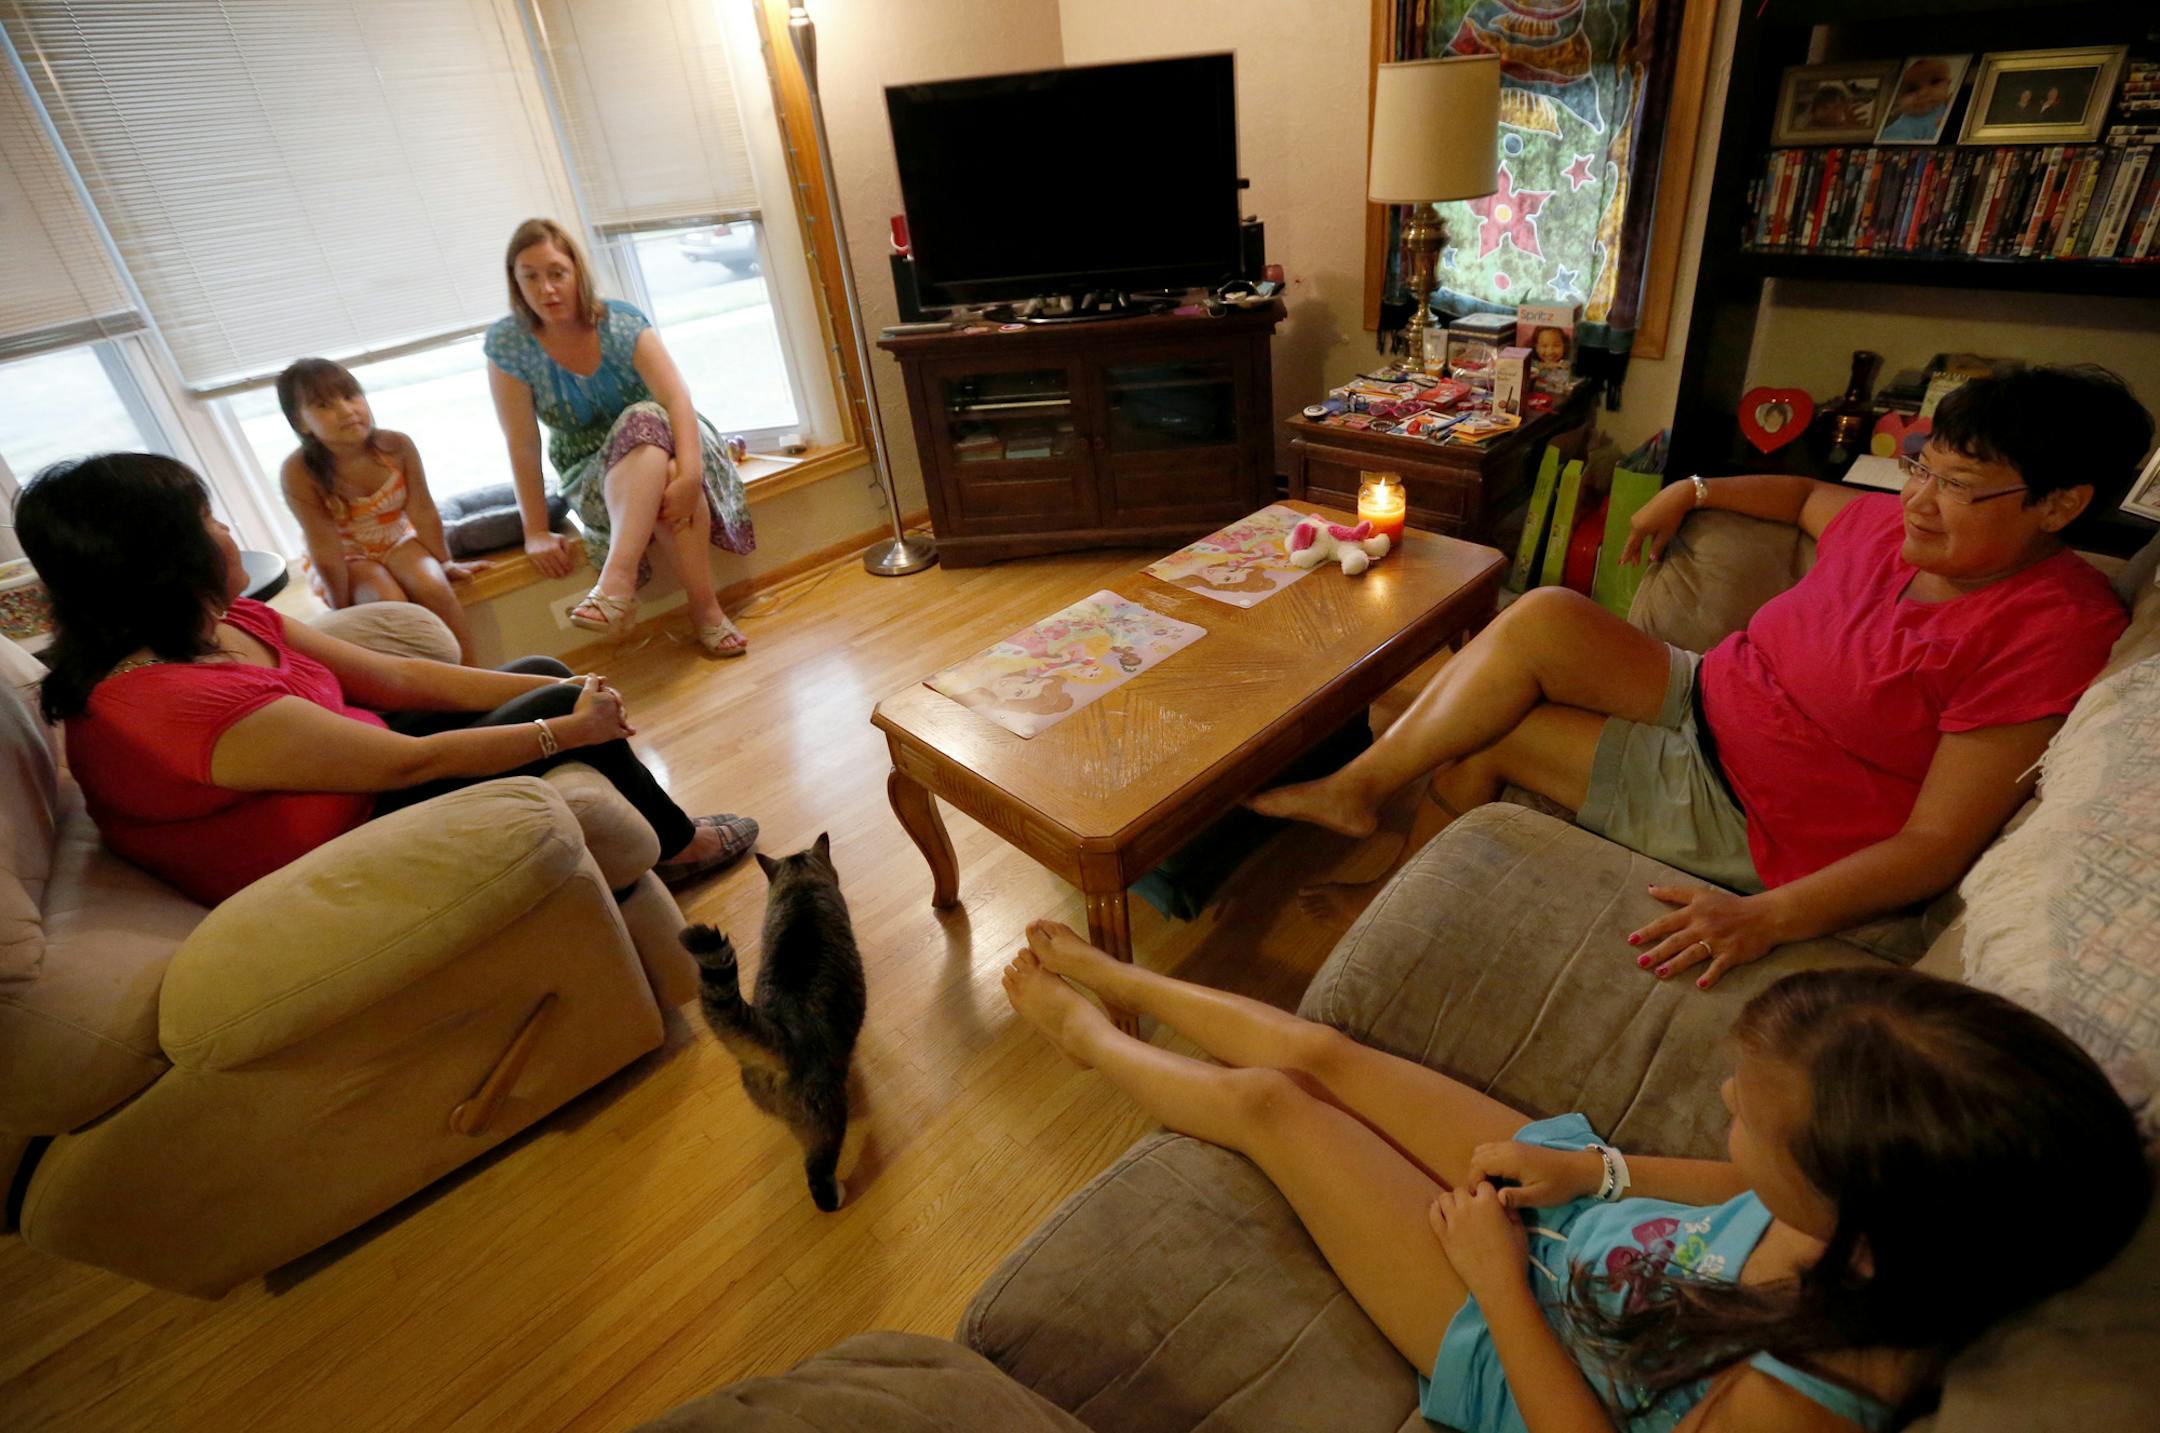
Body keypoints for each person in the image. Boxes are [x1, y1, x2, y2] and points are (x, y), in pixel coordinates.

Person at [1002, 920, 2151, 1433]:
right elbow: (1736, 1192)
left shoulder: (1821, 1388)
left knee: (1272, 1104)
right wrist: (1591, 1164)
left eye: (1748, 1113)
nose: (1725, 1105)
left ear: (1853, 1207)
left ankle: (1092, 1041)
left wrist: (1496, 1281)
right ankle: (1122, 975)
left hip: (1518, 1331)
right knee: (1328, 1054)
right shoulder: (1912, 1220)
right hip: (1583, 1214)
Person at [1251, 365, 2151, 990]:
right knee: (1543, 614)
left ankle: (1384, 896)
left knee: (1490, 736)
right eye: (1920, 467)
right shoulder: (1897, 527)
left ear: (2061, 504)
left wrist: (1770, 918)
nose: (1916, 498)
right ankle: (1358, 789)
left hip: (1754, 806)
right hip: (1711, 691)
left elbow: (1933, 846)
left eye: (1956, 485)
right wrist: (1696, 488)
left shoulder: (2053, 630)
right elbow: (1802, 498)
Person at [16, 452, 757, 907]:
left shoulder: (221, 622)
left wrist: (576, 685)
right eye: (205, 519)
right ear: (159, 560)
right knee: (559, 701)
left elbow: (396, 678)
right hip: (345, 839)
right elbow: (413, 761)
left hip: (358, 770)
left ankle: (654, 829)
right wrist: (570, 725)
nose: (224, 530)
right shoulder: (168, 706)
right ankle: (678, 846)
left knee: (542, 672)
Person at [485, 217, 754, 658]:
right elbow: (522, 443)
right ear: (515, 283)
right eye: (530, 277)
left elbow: (676, 398)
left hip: (680, 447)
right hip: (594, 478)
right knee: (654, 455)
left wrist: (689, 476)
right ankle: (706, 612)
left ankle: (617, 581)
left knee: (646, 419)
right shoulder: (509, 344)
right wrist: (534, 530)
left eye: (557, 273)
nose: (546, 289)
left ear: (577, 272)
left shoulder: (621, 323)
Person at [276, 357, 487, 663]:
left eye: (350, 397)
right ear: (301, 423)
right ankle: (436, 693)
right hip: (347, 556)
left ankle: (477, 676)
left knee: (434, 586)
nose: (347, 411)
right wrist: (341, 603)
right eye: (324, 405)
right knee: (390, 604)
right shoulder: (298, 471)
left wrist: (445, 561)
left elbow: (422, 509)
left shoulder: (396, 446)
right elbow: (325, 546)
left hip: (397, 539)